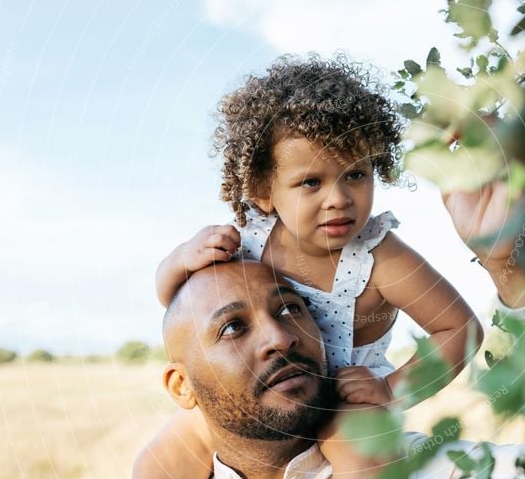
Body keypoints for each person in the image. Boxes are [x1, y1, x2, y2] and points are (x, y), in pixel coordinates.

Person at [156, 56, 482, 406]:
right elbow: (173, 301)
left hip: (343, 404)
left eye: (356, 175)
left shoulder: (379, 259)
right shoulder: (248, 239)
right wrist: (182, 258)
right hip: (270, 396)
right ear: (263, 191)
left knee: (349, 442)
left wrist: (391, 389)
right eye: (311, 182)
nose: (339, 199)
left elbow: (460, 329)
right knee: (175, 444)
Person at [149, 259, 525, 479]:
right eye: (233, 327)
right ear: (181, 386)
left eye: (291, 308)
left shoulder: (428, 475)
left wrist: (519, 269)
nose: (281, 337)